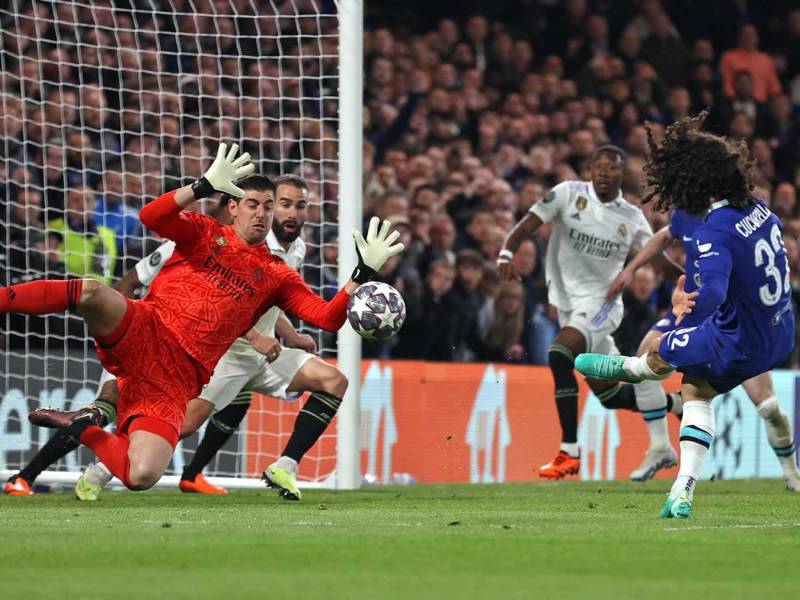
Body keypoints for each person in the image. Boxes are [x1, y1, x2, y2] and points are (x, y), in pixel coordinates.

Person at [5, 142, 402, 492]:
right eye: (252, 204)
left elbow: (328, 318)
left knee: (142, 474)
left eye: (268, 207)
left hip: (178, 377)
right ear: (233, 206)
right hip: (145, 328)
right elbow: (151, 217)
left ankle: (81, 427)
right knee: (91, 291)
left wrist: (361, 274)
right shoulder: (204, 232)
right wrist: (201, 186)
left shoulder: (279, 275)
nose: (262, 215)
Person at [576, 113, 795, 518]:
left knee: (661, 353)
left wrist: (685, 304)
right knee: (696, 387)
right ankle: (679, 490)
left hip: (736, 337)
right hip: (780, 329)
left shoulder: (716, 229)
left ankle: (630, 369)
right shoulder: (760, 208)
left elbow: (711, 291)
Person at [77, 174, 340, 501]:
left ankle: (283, 465)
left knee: (333, 380)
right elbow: (220, 297)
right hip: (227, 350)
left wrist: (290, 334)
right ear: (239, 208)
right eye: (284, 204)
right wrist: (255, 335)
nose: (292, 213)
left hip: (266, 351)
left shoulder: (296, 247)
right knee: (184, 423)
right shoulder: (239, 240)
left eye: (299, 206)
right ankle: (103, 468)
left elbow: (270, 301)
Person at [607, 208, 800, 490]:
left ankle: (792, 472)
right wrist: (630, 268)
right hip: (688, 306)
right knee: (645, 357)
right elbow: (664, 236)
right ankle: (660, 445)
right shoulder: (687, 212)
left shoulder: (729, 220)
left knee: (766, 405)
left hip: (725, 315)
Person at [497, 145, 653, 479]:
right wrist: (507, 253)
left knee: (559, 354)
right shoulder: (567, 194)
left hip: (602, 305)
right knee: (613, 396)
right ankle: (680, 405)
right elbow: (527, 224)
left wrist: (688, 280)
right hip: (569, 307)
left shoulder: (632, 217)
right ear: (589, 170)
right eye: (597, 167)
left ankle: (569, 450)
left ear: (621, 173)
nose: (602, 173)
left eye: (610, 168)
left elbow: (656, 256)